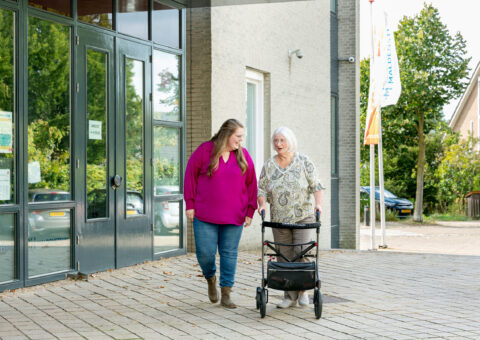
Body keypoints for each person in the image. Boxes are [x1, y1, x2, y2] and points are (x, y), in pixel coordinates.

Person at [184, 118, 257, 309]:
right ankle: (210, 277)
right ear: (227, 134)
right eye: (238, 136)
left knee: (229, 253)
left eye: (242, 137)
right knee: (205, 253)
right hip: (204, 214)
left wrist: (250, 210)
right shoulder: (205, 151)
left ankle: (226, 293)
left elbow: (252, 184)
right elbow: (190, 176)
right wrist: (190, 204)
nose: (241, 140)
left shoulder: (243, 155)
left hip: (234, 215)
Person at [257, 126, 325, 308]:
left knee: (301, 253)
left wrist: (318, 205)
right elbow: (262, 188)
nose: (278, 144)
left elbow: (316, 185)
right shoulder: (269, 165)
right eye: (276, 141)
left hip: (303, 217)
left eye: (282, 140)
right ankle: (289, 296)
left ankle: (303, 291)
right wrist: (262, 204)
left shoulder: (304, 161)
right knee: (284, 256)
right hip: (279, 218)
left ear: (290, 142)